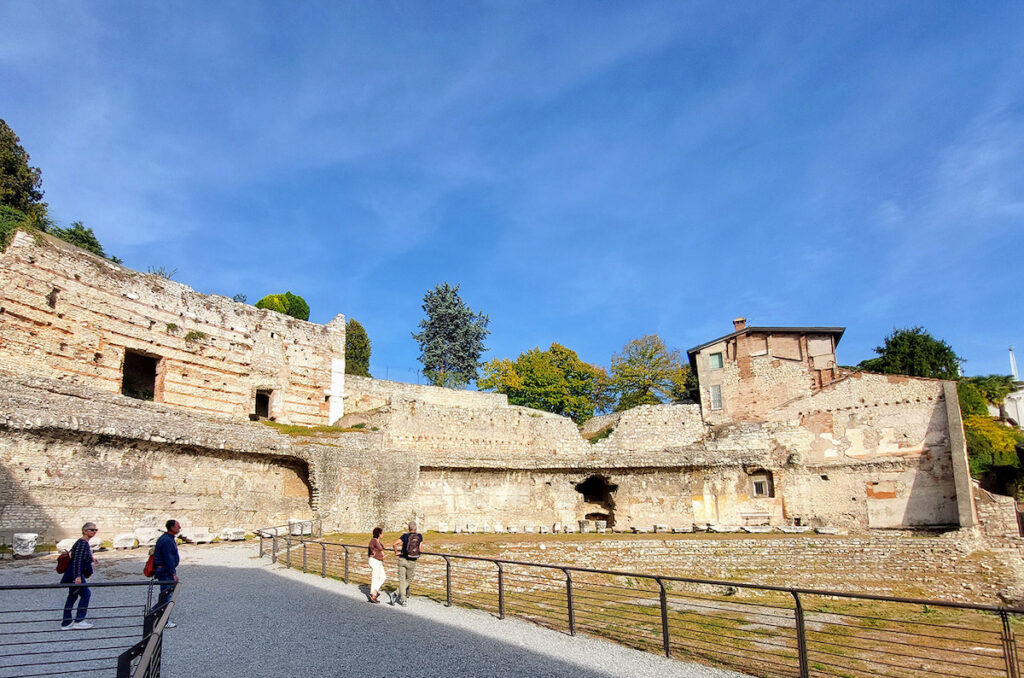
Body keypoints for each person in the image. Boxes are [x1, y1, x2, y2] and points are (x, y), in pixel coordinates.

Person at [60, 522, 99, 629]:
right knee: (86, 594)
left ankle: (66, 622)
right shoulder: (82, 543)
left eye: (96, 530)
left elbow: (76, 554)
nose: (94, 532)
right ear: (85, 531)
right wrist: (77, 576)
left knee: (72, 597)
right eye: (92, 530)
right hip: (75, 574)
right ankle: (79, 620)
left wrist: (91, 558)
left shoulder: (82, 542)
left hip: (74, 573)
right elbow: (76, 560)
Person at [152, 519, 182, 628]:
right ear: (172, 528)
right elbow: (168, 558)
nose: (179, 528)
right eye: (178, 526)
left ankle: (154, 613)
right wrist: (173, 573)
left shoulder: (167, 539)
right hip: (165, 571)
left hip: (164, 570)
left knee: (166, 594)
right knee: (167, 595)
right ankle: (161, 619)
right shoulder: (167, 541)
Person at [391, 521, 423, 607]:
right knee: (409, 579)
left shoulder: (405, 536)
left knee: (402, 580)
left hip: (402, 559)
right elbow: (420, 549)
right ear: (416, 528)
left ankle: (402, 599)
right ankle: (396, 593)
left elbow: (394, 544)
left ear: (409, 528)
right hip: (412, 561)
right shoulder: (419, 536)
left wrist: (396, 552)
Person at [367, 527, 386, 603]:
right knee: (375, 577)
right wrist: (373, 554)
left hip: (379, 561)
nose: (383, 534)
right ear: (379, 534)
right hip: (375, 561)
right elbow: (371, 547)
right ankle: (373, 594)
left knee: (383, 577)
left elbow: (380, 549)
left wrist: (382, 556)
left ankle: (374, 591)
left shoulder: (378, 541)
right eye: (382, 533)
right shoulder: (373, 540)